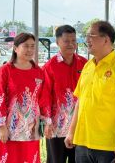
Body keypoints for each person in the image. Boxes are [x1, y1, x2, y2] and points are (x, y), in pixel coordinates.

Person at [64, 21, 115, 163]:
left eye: (91, 35)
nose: (87, 40)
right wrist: (71, 132)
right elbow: (80, 102)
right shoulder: (88, 66)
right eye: (86, 36)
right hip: (82, 143)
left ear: (106, 39)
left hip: (108, 146)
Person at [0, 32, 52, 163]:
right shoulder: (5, 71)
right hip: (8, 129)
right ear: (15, 48)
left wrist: (47, 122)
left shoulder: (39, 72)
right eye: (26, 46)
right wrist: (1, 126)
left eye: (32, 46)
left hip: (31, 129)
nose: (30, 50)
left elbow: (44, 99)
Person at [42, 25, 87, 163]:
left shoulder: (85, 64)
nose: (71, 44)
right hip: (56, 128)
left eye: (74, 40)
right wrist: (47, 122)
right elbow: (45, 96)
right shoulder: (49, 67)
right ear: (57, 42)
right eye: (66, 41)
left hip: (80, 127)